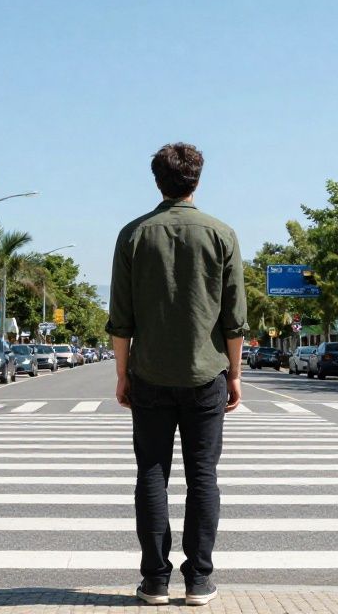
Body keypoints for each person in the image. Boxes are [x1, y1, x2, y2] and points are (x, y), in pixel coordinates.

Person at [107, 142, 247, 607]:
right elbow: (234, 320)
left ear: (157, 181)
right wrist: (235, 376)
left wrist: (122, 375)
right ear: (197, 180)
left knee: (151, 473)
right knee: (202, 475)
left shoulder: (133, 235)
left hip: (148, 375)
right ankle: (200, 580)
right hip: (206, 375)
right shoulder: (222, 234)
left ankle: (155, 581)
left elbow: (120, 319)